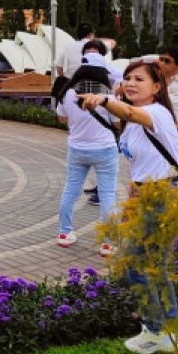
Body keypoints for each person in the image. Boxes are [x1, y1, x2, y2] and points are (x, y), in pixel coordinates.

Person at [80, 58, 178, 354]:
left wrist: (103, 99)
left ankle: (155, 331)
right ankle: (173, 333)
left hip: (165, 195)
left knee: (135, 264)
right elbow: (139, 167)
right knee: (154, 267)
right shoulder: (131, 126)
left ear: (156, 87)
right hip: (149, 195)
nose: (130, 82)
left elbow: (127, 110)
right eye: (128, 78)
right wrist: (131, 204)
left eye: (139, 79)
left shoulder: (157, 113)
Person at [53, 55, 119, 255]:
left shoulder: (67, 93)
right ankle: (108, 243)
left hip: (77, 148)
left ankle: (64, 233)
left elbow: (62, 119)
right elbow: (117, 123)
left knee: (71, 190)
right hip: (105, 149)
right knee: (108, 194)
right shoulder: (109, 97)